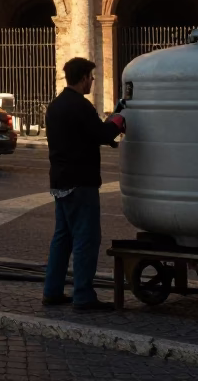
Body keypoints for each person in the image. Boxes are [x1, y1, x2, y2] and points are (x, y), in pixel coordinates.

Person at [42, 57, 125, 312]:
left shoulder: (55, 105)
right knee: (86, 239)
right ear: (83, 78)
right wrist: (118, 121)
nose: (92, 81)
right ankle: (83, 295)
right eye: (91, 77)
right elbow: (100, 134)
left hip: (60, 180)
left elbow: (83, 135)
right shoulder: (81, 105)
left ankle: (52, 291)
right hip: (81, 181)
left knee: (62, 238)